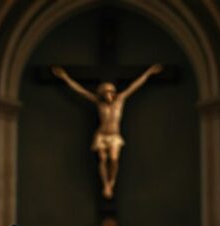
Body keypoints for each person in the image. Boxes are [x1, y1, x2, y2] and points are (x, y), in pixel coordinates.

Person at [52, 64, 163, 199]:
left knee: (114, 160)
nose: (108, 95)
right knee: (103, 159)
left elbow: (134, 86)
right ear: (102, 94)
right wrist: (65, 77)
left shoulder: (120, 100)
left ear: (114, 92)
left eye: (110, 92)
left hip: (114, 136)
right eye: (105, 93)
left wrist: (148, 73)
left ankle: (112, 182)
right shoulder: (99, 103)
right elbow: (81, 91)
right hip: (102, 135)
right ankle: (106, 184)